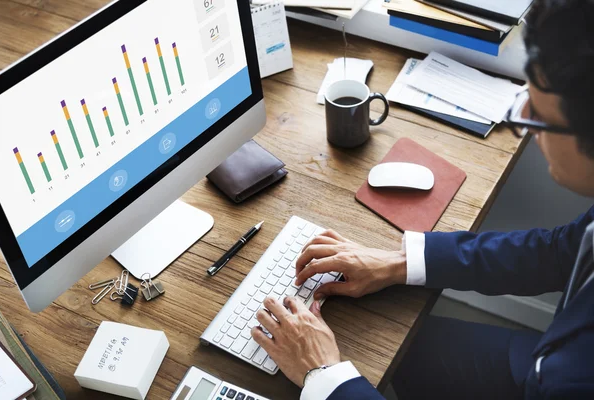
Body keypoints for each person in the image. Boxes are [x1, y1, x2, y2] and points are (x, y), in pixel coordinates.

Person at [250, 0, 594, 399]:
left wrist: (324, 374)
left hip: (551, 377)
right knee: (407, 350)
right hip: (545, 361)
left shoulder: (576, 381)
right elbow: (561, 252)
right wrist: (400, 262)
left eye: (537, 117)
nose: (527, 131)